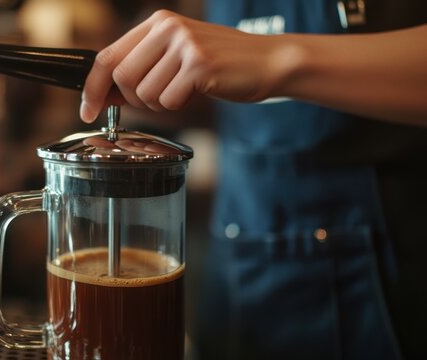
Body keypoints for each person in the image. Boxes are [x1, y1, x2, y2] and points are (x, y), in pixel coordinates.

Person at [80, 1, 427, 359]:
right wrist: (167, 84)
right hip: (240, 261)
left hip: (389, 283)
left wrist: (277, 57)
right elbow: (239, 109)